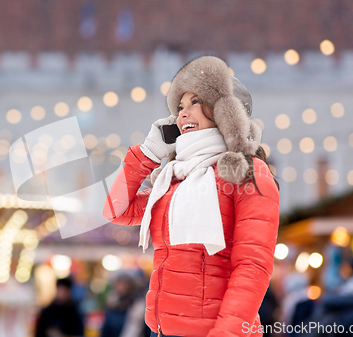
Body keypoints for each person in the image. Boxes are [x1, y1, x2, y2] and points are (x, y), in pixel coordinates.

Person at [103, 55, 280, 337]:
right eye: (180, 106)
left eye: (195, 102)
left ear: (225, 111)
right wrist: (149, 153)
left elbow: (252, 267)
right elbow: (116, 209)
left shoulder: (246, 173)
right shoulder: (173, 181)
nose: (182, 113)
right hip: (161, 330)